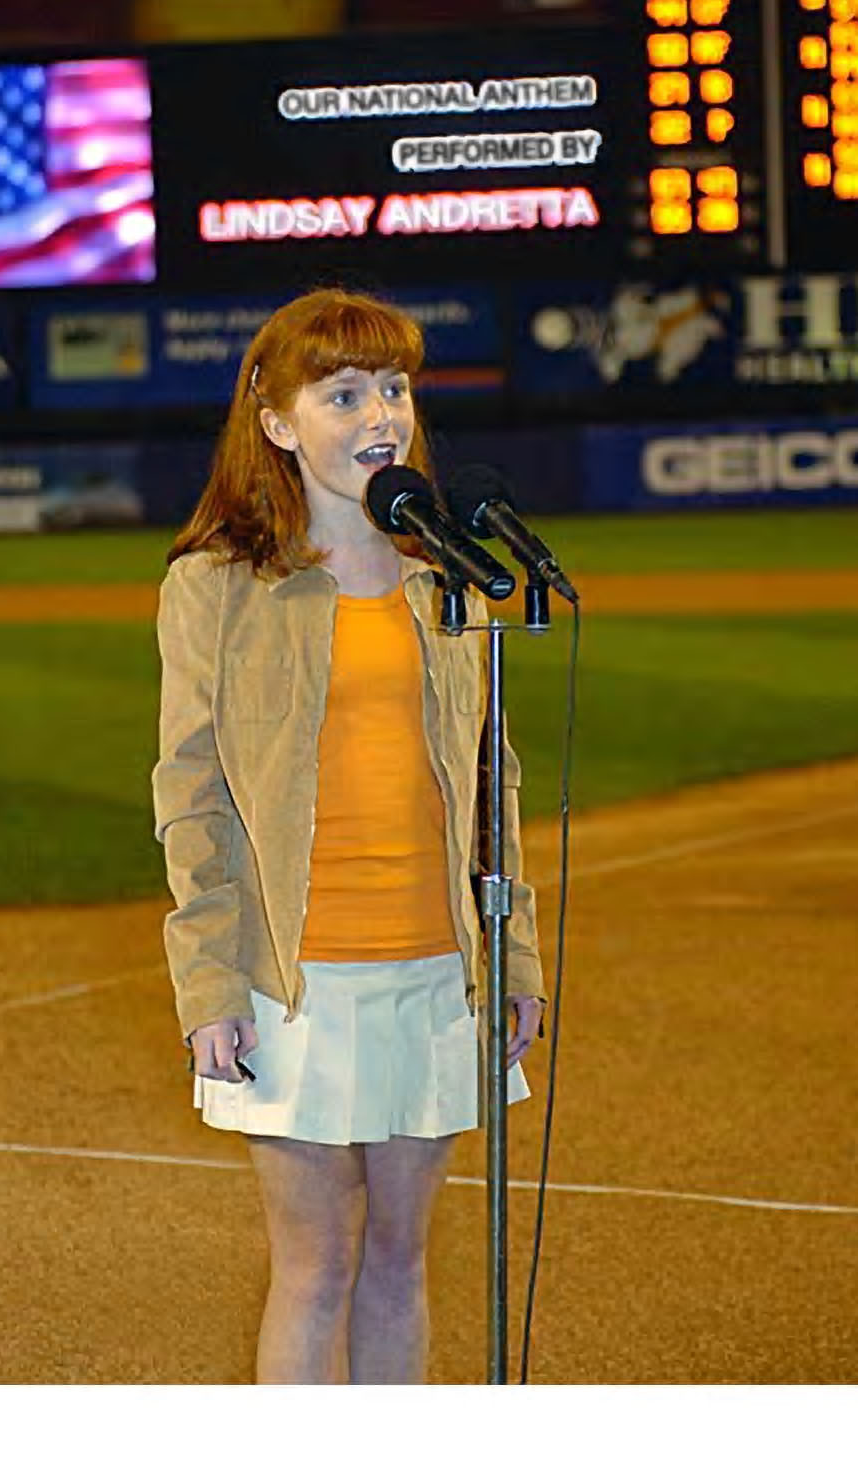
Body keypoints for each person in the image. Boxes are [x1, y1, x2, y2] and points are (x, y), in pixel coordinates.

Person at [152, 287, 545, 1384]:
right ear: (278, 422)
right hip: (294, 982)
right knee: (316, 1263)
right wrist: (208, 984)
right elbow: (189, 794)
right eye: (344, 393)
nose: (383, 413)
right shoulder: (216, 587)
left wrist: (515, 952)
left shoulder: (447, 583)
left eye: (395, 387)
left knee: (402, 1261)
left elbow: (488, 785)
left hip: (433, 969)